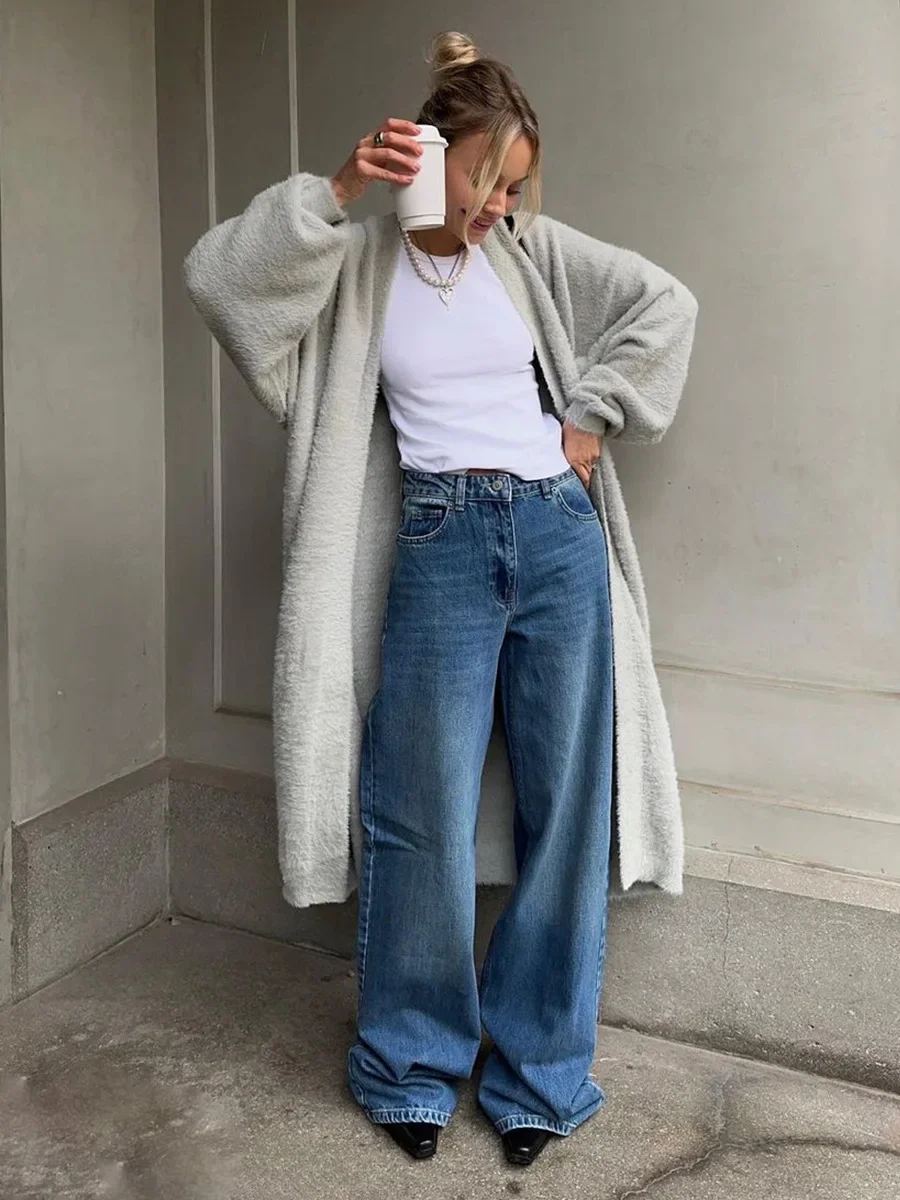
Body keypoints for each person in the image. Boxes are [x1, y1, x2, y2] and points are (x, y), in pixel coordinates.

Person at [184, 30, 698, 1170]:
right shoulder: (358, 262)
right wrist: (335, 191)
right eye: (485, 178)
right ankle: (409, 1064)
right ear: (430, 153)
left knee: (567, 810)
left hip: (556, 538)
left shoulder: (530, 251)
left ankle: (540, 1077)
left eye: (516, 186)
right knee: (416, 807)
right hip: (439, 537)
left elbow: (667, 305)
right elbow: (221, 283)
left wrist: (592, 414)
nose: (499, 206)